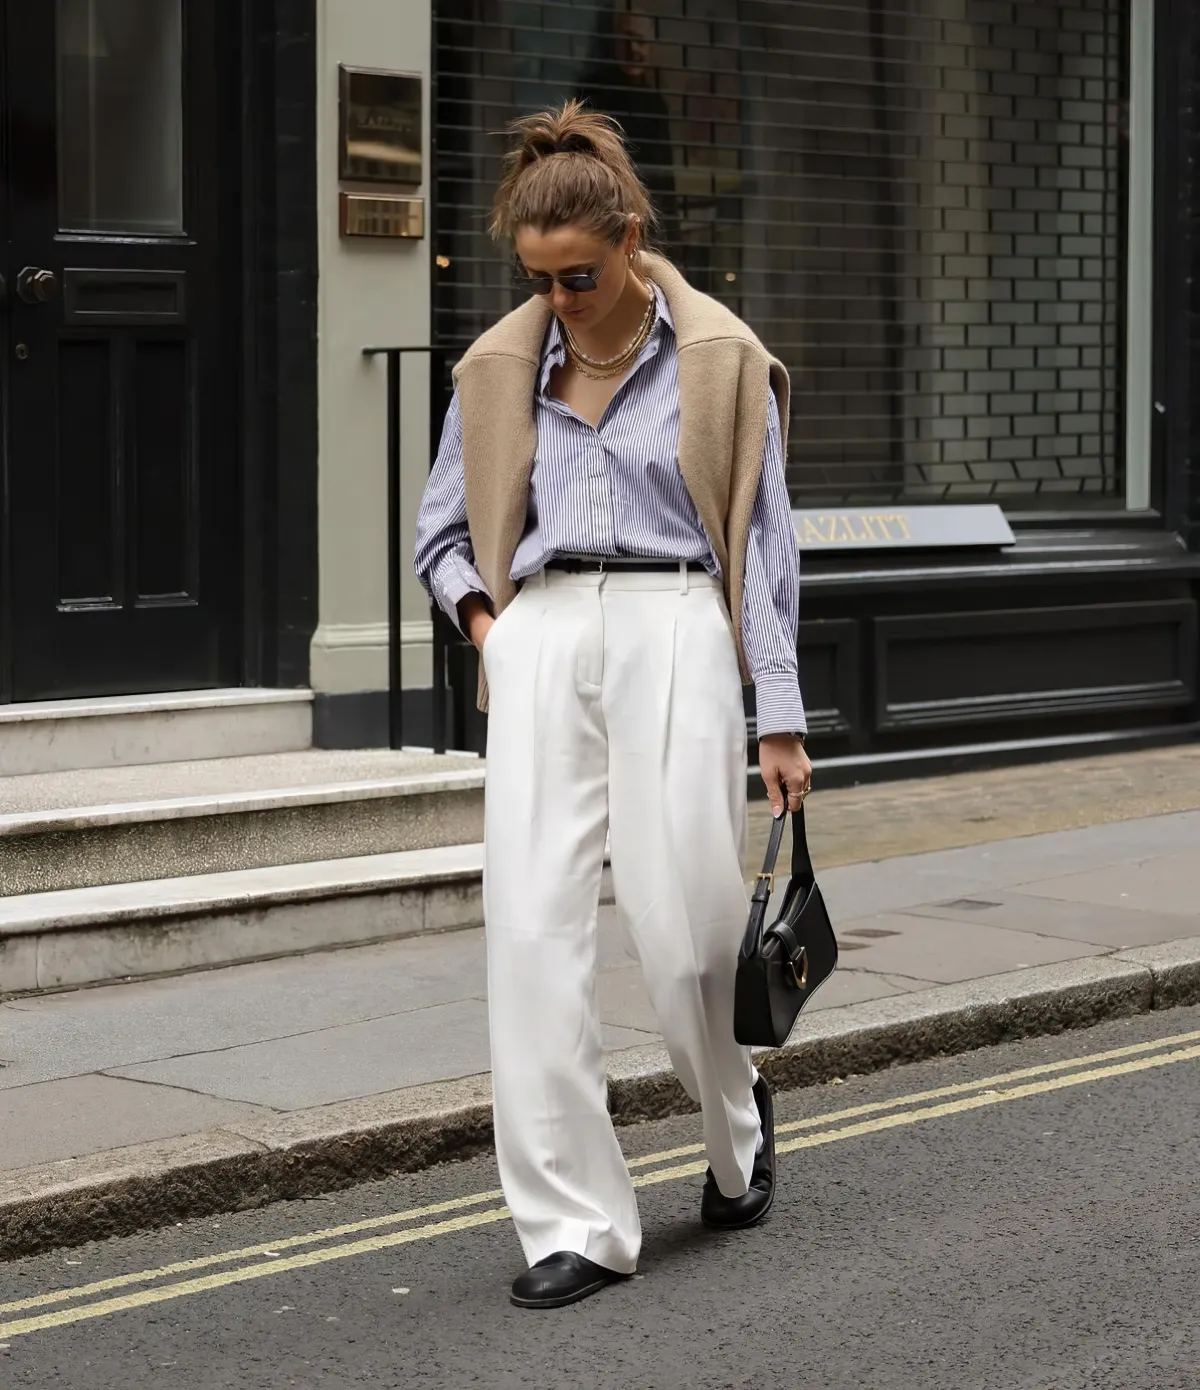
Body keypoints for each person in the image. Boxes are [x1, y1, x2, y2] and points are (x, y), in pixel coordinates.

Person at [414, 100, 811, 1310]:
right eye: (540, 281)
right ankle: (574, 1220)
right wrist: (497, 631)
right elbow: (442, 535)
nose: (561, 301)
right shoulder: (497, 367)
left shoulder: (721, 359)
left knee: (687, 926)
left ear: (629, 239)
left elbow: (764, 551)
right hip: (543, 633)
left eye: (579, 276)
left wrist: (780, 714)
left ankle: (735, 1116)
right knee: (531, 930)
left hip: (677, 622)